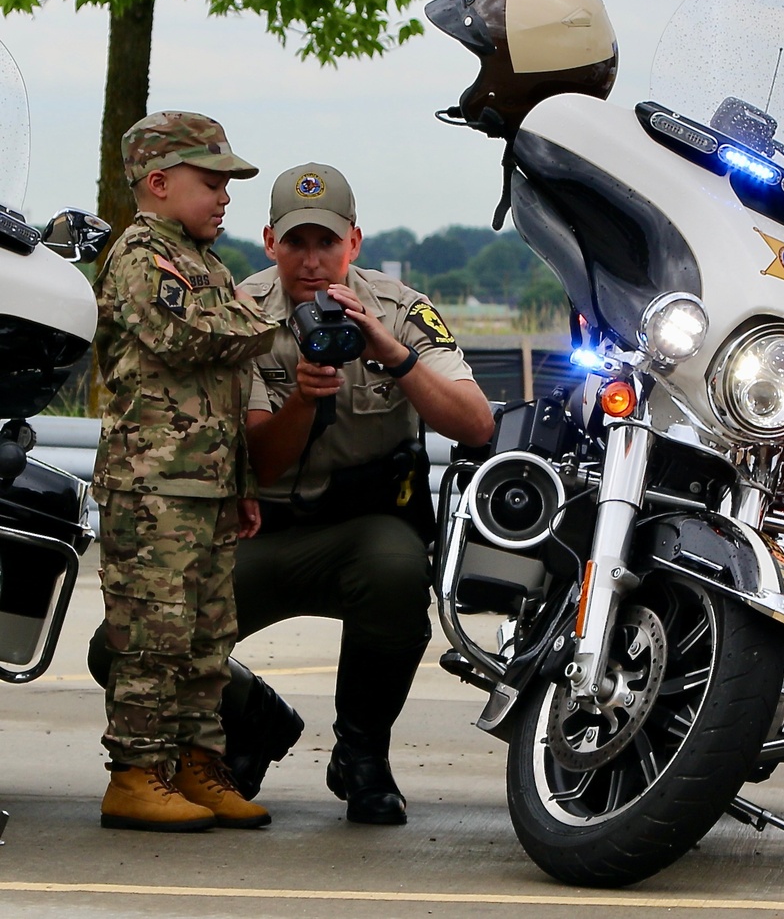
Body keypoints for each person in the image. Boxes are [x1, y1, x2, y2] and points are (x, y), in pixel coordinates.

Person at [90, 161, 495, 826]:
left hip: (364, 537)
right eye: (296, 243)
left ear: (354, 244)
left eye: (326, 244)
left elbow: (476, 424)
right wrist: (305, 398)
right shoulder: (239, 314)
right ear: (271, 241)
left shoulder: (398, 308)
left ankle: (361, 755)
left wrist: (391, 352)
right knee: (119, 648)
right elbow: (260, 464)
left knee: (395, 571)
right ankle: (254, 720)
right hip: (264, 530)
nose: (312, 261)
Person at [92, 111, 279, 832]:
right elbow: (191, 334)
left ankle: (199, 764)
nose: (225, 198)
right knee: (153, 637)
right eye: (212, 183)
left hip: (203, 485)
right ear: (160, 183)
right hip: (153, 487)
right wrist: (269, 323)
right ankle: (137, 773)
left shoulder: (203, 261)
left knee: (207, 640)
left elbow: (224, 394)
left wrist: (242, 487)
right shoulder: (141, 255)